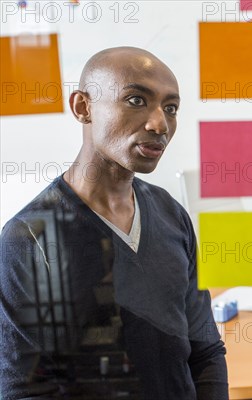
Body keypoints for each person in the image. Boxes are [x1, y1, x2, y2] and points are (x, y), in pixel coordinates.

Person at [0, 47, 228, 399]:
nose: (159, 124)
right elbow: (24, 390)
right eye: (136, 100)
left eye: (171, 108)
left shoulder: (171, 213)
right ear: (82, 107)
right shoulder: (27, 240)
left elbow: (206, 350)